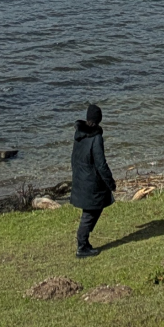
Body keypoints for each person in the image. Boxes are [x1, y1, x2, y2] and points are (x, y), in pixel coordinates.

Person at [69, 103, 115, 258]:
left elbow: (74, 158)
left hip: (81, 178)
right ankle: (82, 247)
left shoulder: (79, 135)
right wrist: (110, 182)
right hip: (91, 181)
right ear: (99, 119)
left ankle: (85, 242)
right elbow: (101, 164)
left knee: (92, 209)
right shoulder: (96, 138)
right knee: (90, 212)